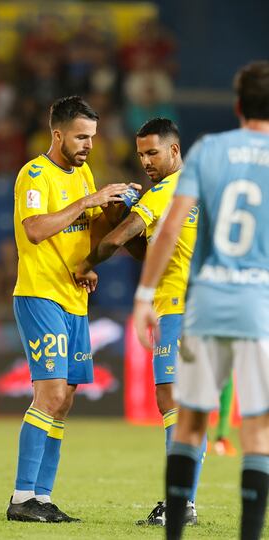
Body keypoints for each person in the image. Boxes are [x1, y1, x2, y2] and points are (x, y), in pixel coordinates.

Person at [133, 61, 269, 540]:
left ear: (237, 106)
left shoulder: (210, 151)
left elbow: (169, 227)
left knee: (188, 417)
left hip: (206, 298)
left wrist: (144, 294)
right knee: (256, 425)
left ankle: (176, 526)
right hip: (258, 302)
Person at [7, 95, 137, 523]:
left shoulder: (83, 175)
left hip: (73, 297)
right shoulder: (35, 175)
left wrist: (112, 213)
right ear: (57, 133)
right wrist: (87, 201)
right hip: (40, 294)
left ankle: (41, 498)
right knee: (50, 394)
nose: (87, 146)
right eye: (81, 137)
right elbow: (36, 229)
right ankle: (21, 497)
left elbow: (87, 229)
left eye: (92, 138)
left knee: (65, 402)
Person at [75, 118, 206, 526]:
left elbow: (112, 242)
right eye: (141, 155)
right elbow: (150, 253)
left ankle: (180, 503)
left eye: (153, 153)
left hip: (178, 307)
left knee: (171, 401)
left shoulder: (165, 192)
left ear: (174, 149)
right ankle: (184, 500)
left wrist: (85, 262)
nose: (146, 162)